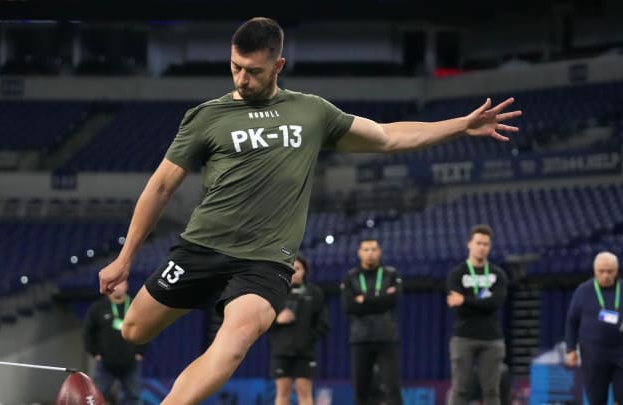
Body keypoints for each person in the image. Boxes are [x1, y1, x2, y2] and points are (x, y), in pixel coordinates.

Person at [97, 17, 522, 405]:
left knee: (236, 339)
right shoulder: (206, 117)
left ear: (278, 65)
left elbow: (388, 136)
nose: (242, 79)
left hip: (264, 263)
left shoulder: (311, 112)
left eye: (254, 71)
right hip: (201, 248)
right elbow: (161, 186)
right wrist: (126, 258)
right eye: (235, 67)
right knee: (134, 330)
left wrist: (461, 125)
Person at [446, 224, 508, 405]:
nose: (482, 247)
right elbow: (455, 305)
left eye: (486, 244)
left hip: (492, 339)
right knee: (460, 389)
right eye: (478, 243)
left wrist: (465, 300)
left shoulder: (498, 274)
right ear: (469, 244)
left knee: (491, 390)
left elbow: (495, 303)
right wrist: (477, 302)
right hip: (463, 337)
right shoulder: (457, 274)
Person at [341, 238, 403, 405]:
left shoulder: (391, 274)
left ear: (380, 252)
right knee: (361, 389)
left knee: (392, 389)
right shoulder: (350, 277)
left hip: (387, 338)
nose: (370, 253)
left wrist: (363, 300)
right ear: (359, 253)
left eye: (374, 249)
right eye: (366, 249)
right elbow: (350, 306)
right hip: (360, 339)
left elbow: (393, 300)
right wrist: (380, 299)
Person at [268, 255, 329, 405]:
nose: (294, 272)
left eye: (298, 269)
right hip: (281, 351)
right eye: (290, 269)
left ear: (305, 271)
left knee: (305, 392)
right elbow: (263, 323)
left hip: (305, 353)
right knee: (282, 393)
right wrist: (277, 320)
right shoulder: (276, 293)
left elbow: (324, 324)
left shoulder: (315, 293)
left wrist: (307, 338)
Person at [564, 251, 622, 404]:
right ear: (594, 270)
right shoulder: (583, 291)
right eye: (601, 271)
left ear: (617, 271)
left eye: (610, 271)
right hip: (593, 355)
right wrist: (570, 349)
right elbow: (572, 321)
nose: (605, 275)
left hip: (621, 352)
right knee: (596, 400)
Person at [84, 279, 146, 405]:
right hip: (105, 363)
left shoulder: (135, 306)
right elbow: (88, 332)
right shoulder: (98, 307)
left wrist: (140, 352)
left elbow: (146, 328)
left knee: (134, 397)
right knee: (96, 398)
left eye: (121, 283)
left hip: (131, 362)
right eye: (114, 284)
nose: (117, 287)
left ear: (127, 285)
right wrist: (95, 352)